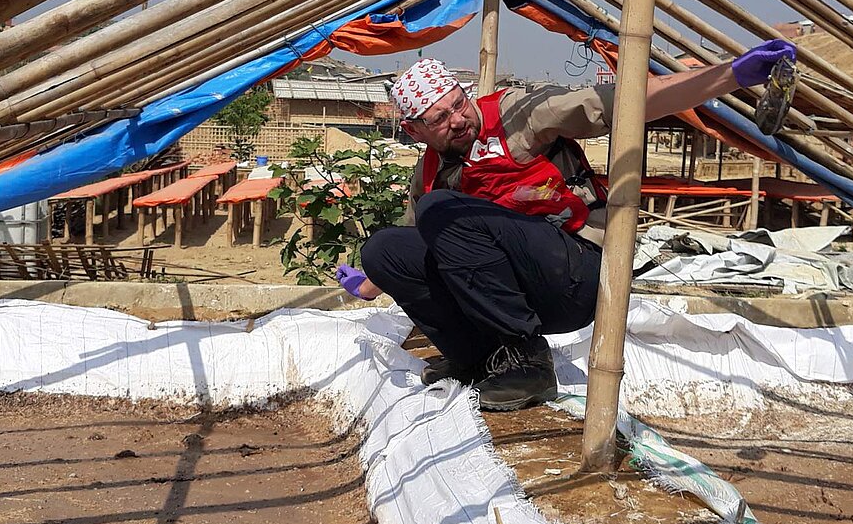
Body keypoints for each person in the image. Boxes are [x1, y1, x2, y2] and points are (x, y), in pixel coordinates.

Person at [336, 40, 796, 411]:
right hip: (513, 289)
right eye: (440, 118)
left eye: (459, 103)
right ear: (415, 132)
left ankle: (529, 361)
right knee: (384, 247)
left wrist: (732, 75)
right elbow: (419, 250)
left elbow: (624, 101)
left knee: (441, 210)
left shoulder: (519, 115)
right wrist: (374, 279)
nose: (458, 120)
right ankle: (478, 360)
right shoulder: (432, 172)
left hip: (575, 271)